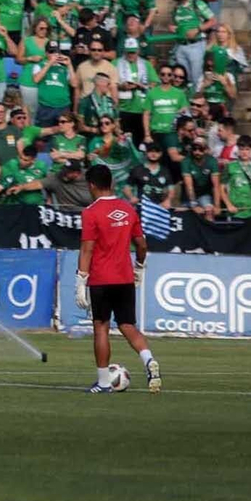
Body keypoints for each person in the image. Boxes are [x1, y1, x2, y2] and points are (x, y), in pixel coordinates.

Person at [76, 164, 162, 394]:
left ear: (91, 185)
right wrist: (140, 267)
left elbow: (87, 249)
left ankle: (104, 383)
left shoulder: (91, 213)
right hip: (125, 278)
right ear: (112, 183)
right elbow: (142, 244)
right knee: (127, 325)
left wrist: (80, 282)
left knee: (101, 327)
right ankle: (149, 361)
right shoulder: (127, 209)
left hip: (102, 279)